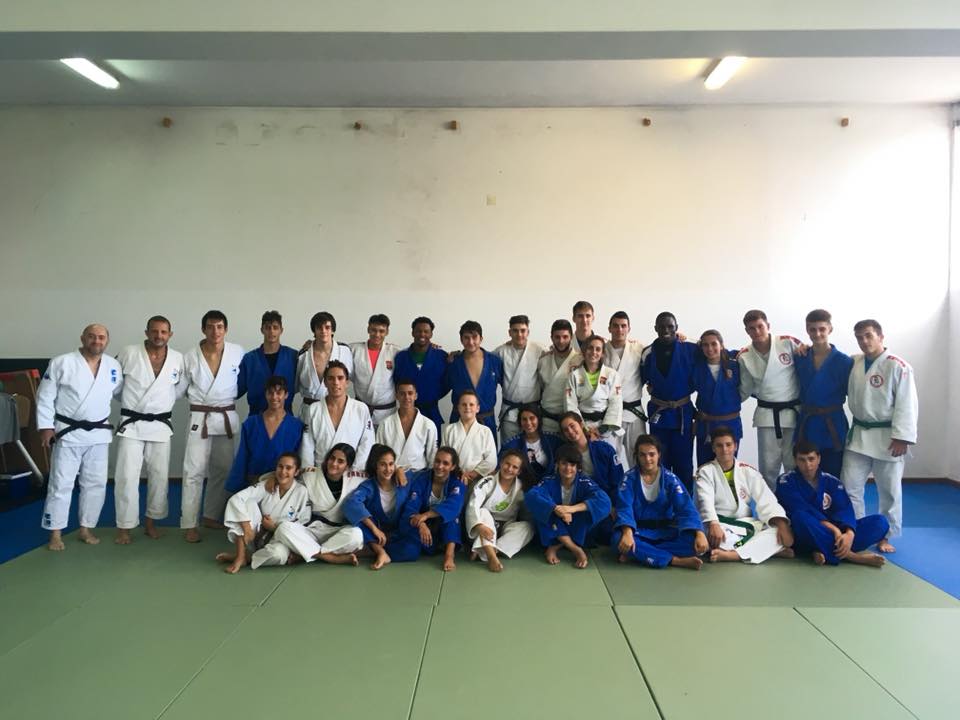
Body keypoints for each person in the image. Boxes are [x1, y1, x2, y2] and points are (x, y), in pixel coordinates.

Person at [37, 323, 123, 551]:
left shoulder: (113, 366)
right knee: (61, 483)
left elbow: (121, 394)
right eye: (92, 336)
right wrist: (46, 427)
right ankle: (55, 533)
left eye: (101, 337)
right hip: (68, 433)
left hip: (99, 434)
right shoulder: (61, 362)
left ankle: (86, 528)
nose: (97, 341)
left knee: (95, 483)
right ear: (83, 338)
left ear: (107, 340)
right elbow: (45, 396)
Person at [840, 319, 918, 553]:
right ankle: (856, 530)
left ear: (881, 336)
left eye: (868, 335)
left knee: (889, 490)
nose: (864, 341)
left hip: (888, 438)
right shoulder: (854, 362)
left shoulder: (898, 366)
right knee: (850, 486)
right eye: (859, 337)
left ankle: (886, 535)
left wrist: (902, 436)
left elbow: (907, 403)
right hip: (858, 436)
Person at [113, 316, 185, 544]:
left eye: (163, 332)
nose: (158, 336)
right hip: (132, 424)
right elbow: (115, 387)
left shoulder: (178, 359)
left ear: (170, 334)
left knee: (159, 476)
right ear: (146, 332)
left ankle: (151, 522)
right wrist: (132, 406)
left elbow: (179, 390)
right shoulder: (128, 353)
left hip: (160, 425)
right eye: (154, 331)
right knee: (126, 476)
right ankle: (124, 526)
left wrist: (161, 404)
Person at [180, 310, 245, 541]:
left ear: (225, 329)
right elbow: (179, 389)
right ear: (203, 329)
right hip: (201, 417)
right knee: (193, 471)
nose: (215, 331)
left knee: (224, 469)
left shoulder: (237, 352)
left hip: (225, 416)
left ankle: (211, 515)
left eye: (219, 326)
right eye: (210, 326)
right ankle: (189, 523)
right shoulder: (190, 356)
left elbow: (244, 381)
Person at [777, 441, 888, 567]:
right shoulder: (786, 481)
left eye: (811, 459)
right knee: (801, 517)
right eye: (802, 460)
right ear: (795, 461)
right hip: (806, 531)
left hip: (831, 533)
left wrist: (849, 534)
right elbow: (801, 509)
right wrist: (835, 530)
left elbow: (845, 509)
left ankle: (821, 549)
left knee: (880, 522)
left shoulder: (832, 481)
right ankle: (851, 556)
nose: (807, 465)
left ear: (819, 459)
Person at [694, 426, 794, 564]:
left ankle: (734, 554)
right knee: (718, 539)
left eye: (728, 445)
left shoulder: (748, 471)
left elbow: (766, 499)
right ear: (713, 448)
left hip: (747, 523)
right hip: (721, 524)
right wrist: (713, 523)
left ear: (735, 446)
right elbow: (705, 501)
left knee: (776, 532)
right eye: (719, 445)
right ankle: (767, 550)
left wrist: (782, 524)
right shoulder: (705, 472)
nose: (724, 449)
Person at [612, 435, 707, 570]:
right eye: (642, 455)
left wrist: (699, 532)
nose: (647, 459)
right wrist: (627, 533)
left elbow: (686, 508)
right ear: (637, 456)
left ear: (659, 455)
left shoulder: (670, 479)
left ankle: (640, 554)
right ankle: (674, 560)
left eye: (652, 454)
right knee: (617, 539)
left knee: (693, 542)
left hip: (665, 531)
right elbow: (624, 507)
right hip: (639, 531)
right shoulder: (629, 479)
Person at [738, 309, 802, 489]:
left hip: (793, 413)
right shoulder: (745, 356)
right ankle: (770, 503)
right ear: (747, 331)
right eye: (752, 328)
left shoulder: (788, 343)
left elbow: (808, 365)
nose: (757, 331)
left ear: (768, 326)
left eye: (760, 326)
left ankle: (794, 501)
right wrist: (723, 405)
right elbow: (744, 388)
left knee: (793, 463)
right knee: (768, 466)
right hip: (766, 415)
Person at [271, 443, 366, 565]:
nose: (334, 463)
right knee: (284, 527)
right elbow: (288, 475)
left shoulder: (355, 479)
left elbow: (376, 479)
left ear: (347, 466)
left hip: (338, 531)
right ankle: (329, 557)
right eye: (332, 458)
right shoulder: (310, 474)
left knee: (356, 535)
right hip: (311, 530)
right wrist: (273, 478)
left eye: (340, 461)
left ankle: (305, 552)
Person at [215, 452, 311, 574]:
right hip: (255, 535)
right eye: (280, 466)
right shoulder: (267, 485)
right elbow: (237, 499)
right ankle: (240, 556)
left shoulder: (302, 492)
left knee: (278, 555)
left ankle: (248, 558)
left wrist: (275, 527)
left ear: (296, 472)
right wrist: (246, 525)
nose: (283, 472)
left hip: (280, 540)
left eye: (288, 468)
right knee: (247, 503)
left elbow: (303, 522)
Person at [525, 444, 611, 568]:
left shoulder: (584, 482)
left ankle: (555, 546)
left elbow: (604, 501)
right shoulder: (549, 480)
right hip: (554, 521)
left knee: (590, 512)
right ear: (557, 464)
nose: (568, 468)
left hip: (574, 522)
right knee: (543, 511)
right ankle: (575, 549)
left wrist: (571, 509)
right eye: (564, 463)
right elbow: (532, 495)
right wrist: (555, 508)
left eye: (572, 465)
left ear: (578, 467)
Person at [640, 312, 698, 489]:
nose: (666, 330)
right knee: (659, 461)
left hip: (682, 413)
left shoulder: (690, 349)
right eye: (662, 326)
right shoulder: (647, 353)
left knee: (684, 463)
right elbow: (640, 378)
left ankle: (684, 501)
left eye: (670, 326)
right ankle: (662, 500)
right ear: (655, 328)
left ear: (677, 328)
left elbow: (713, 350)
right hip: (659, 413)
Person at [793, 309, 853, 478]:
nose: (817, 334)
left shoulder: (844, 361)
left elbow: (851, 393)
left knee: (833, 471)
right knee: (805, 471)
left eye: (822, 329)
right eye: (812, 329)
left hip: (832, 422)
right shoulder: (800, 357)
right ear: (807, 330)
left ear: (830, 329)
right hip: (808, 422)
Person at [343, 444, 418, 570]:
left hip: (397, 532)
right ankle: (380, 551)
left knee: (412, 551)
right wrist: (374, 529)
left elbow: (422, 473)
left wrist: (400, 469)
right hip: (376, 533)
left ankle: (370, 551)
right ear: (375, 466)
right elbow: (351, 503)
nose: (388, 469)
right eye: (383, 464)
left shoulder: (403, 480)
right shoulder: (369, 486)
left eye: (391, 464)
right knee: (360, 521)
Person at [225, 376, 304, 492]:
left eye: (279, 393)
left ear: (286, 395)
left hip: (283, 484)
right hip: (253, 482)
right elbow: (242, 457)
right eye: (270, 393)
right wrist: (236, 488)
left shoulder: (296, 426)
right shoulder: (251, 424)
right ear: (265, 394)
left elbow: (298, 460)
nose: (274, 397)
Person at [466, 449, 537, 572]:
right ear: (501, 463)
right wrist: (479, 526)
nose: (509, 469)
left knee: (528, 527)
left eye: (515, 467)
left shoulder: (521, 487)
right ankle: (491, 556)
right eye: (507, 464)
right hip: (486, 525)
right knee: (483, 512)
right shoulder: (487, 482)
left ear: (519, 471)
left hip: (506, 526)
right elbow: (473, 504)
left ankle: (489, 549)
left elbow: (527, 512)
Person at [558, 411, 623, 543]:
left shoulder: (605, 449)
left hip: (604, 501)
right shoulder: (564, 453)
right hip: (578, 503)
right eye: (565, 430)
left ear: (581, 424)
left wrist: (613, 506)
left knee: (609, 533)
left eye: (572, 426)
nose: (570, 432)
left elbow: (618, 481)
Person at [301, 360, 374, 470]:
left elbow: (367, 442)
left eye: (340, 378)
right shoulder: (314, 409)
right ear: (325, 383)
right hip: (320, 471)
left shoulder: (361, 409)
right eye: (331, 378)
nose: (336, 382)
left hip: (351, 472)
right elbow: (307, 444)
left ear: (347, 382)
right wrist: (308, 470)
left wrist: (355, 470)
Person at [404, 447, 467, 571]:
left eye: (445, 463)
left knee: (452, 518)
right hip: (425, 523)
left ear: (453, 466)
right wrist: (421, 523)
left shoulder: (457, 481)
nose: (440, 466)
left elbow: (454, 506)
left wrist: (426, 515)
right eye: (437, 461)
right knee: (411, 543)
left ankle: (449, 555)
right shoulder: (422, 479)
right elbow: (411, 506)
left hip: (443, 522)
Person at [446, 320, 503, 439]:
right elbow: (441, 386)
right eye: (466, 338)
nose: (471, 342)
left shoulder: (494, 361)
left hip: (486, 420)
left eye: (474, 337)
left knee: (487, 451)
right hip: (459, 420)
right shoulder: (453, 362)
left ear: (481, 339)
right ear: (461, 339)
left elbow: (508, 387)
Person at [604, 311, 646, 469]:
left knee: (639, 456)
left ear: (629, 328)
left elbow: (659, 353)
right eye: (615, 326)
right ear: (609, 328)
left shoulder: (639, 348)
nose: (619, 330)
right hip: (610, 412)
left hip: (634, 412)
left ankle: (638, 485)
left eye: (623, 326)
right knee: (611, 457)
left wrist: (680, 337)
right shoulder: (601, 350)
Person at [692, 329, 742, 466]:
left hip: (730, 423)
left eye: (714, 344)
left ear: (721, 345)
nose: (710, 348)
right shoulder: (696, 368)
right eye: (705, 345)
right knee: (705, 467)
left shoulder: (735, 365)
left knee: (729, 466)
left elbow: (748, 387)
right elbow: (684, 390)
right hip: (706, 425)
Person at [393, 316, 449, 433]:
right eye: (418, 331)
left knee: (433, 443)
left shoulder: (441, 356)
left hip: (431, 410)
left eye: (426, 331)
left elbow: (447, 382)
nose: (422, 334)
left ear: (431, 334)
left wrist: (433, 395)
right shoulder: (401, 357)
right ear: (412, 333)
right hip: (406, 410)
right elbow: (396, 381)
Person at [565, 334, 623, 448]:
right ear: (584, 351)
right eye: (590, 348)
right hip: (581, 426)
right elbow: (570, 404)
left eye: (598, 349)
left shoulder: (612, 375)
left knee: (606, 455)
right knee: (584, 456)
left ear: (602, 353)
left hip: (605, 426)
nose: (593, 352)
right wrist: (583, 429)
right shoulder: (574, 375)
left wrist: (601, 429)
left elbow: (615, 403)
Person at [493, 315, 544, 443]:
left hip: (532, 413)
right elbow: (482, 359)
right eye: (515, 331)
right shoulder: (501, 351)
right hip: (510, 414)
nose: (519, 334)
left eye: (523, 330)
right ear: (509, 332)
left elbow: (557, 356)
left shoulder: (540, 350)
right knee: (509, 448)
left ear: (528, 332)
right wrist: (459, 354)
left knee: (532, 448)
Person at [295, 311, 354, 419]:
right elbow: (295, 385)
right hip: (309, 411)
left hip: (336, 409)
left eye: (327, 327)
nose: (323, 331)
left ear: (332, 330)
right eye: (319, 328)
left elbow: (350, 378)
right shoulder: (304, 355)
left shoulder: (344, 351)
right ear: (314, 331)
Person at [237, 310, 298, 415]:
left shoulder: (293, 357)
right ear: (262, 330)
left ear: (281, 330)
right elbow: (236, 390)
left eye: (275, 327)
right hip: (257, 417)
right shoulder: (249, 359)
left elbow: (306, 384)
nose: (271, 331)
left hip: (285, 418)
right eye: (268, 327)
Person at [375, 379, 438, 471]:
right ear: (396, 396)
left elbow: (432, 457)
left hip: (419, 474)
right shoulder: (385, 424)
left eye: (410, 393)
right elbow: (379, 454)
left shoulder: (428, 425)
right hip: (391, 473)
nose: (406, 397)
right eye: (402, 394)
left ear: (416, 396)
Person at [349, 314, 399, 428]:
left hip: (386, 413)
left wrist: (430, 346)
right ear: (368, 329)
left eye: (381, 331)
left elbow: (414, 352)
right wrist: (313, 343)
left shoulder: (395, 352)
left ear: (387, 332)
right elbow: (332, 349)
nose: (377, 334)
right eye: (373, 330)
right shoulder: (354, 350)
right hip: (361, 410)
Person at [440, 390, 497, 483]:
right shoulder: (449, 430)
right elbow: (444, 457)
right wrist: (458, 473)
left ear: (477, 408)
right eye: (464, 404)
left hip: (479, 479)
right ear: (458, 408)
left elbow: (492, 461)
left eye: (471, 404)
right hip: (454, 478)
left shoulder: (485, 431)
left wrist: (473, 473)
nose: (467, 407)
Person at [537, 319, 582, 432]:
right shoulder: (543, 360)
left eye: (565, 337)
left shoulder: (580, 360)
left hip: (571, 421)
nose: (561, 341)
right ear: (551, 337)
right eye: (557, 337)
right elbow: (541, 388)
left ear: (571, 337)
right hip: (547, 419)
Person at [501, 404, 562, 482]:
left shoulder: (553, 440)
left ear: (538, 420)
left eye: (532, 418)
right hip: (523, 485)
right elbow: (500, 466)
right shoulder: (512, 444)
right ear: (520, 422)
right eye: (524, 419)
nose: (528, 423)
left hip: (550, 484)